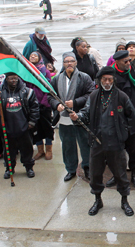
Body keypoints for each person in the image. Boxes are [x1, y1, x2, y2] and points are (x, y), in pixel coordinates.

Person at [70, 66, 135, 217]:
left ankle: (124, 201)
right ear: (100, 80)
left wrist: (123, 131)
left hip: (116, 143)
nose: (107, 82)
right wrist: (77, 117)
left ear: (114, 80)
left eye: (110, 79)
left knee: (120, 174)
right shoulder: (93, 96)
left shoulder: (121, 96)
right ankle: (97, 200)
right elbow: (85, 113)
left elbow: (132, 115)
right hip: (97, 142)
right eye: (104, 80)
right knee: (95, 174)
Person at [48, 52, 95, 181]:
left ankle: (87, 168)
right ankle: (70, 169)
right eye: (66, 61)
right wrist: (57, 105)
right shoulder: (57, 79)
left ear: (76, 63)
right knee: (68, 146)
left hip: (80, 117)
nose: (69, 63)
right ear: (63, 64)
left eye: (72, 61)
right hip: (64, 119)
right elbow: (50, 96)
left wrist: (76, 102)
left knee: (85, 145)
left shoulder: (84, 78)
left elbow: (91, 94)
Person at [107, 50, 135, 188]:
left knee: (133, 151)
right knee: (115, 152)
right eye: (125, 61)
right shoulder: (108, 77)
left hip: (133, 122)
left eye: (130, 60)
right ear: (116, 62)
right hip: (114, 122)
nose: (129, 63)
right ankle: (116, 175)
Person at [0, 73, 39, 179]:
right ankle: (9, 169)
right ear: (6, 79)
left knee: (27, 150)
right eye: (11, 79)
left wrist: (32, 122)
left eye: (15, 78)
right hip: (7, 128)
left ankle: (29, 168)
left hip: (24, 128)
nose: (13, 81)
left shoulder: (27, 91)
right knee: (8, 152)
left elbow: (35, 108)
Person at [27, 52, 54, 161]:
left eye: (35, 56)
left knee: (47, 127)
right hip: (32, 105)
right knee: (35, 128)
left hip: (43, 105)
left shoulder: (44, 71)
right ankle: (40, 150)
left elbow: (48, 88)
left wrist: (43, 103)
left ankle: (48, 150)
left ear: (40, 58)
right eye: (31, 56)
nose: (32, 57)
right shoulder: (27, 71)